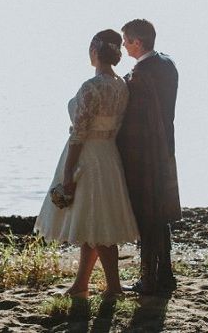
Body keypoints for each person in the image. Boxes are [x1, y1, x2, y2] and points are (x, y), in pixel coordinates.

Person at [34, 29, 139, 298]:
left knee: (98, 224)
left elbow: (78, 132)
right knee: (94, 223)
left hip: (88, 155)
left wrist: (68, 172)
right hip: (108, 154)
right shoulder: (121, 86)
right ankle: (81, 285)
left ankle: (114, 287)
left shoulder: (91, 87)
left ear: (94, 52)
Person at [117, 19, 181, 295]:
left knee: (146, 216)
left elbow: (134, 122)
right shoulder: (168, 64)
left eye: (126, 40)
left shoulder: (140, 74)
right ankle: (165, 274)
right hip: (166, 147)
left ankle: (148, 280)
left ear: (137, 42)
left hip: (144, 154)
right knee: (162, 214)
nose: (123, 45)